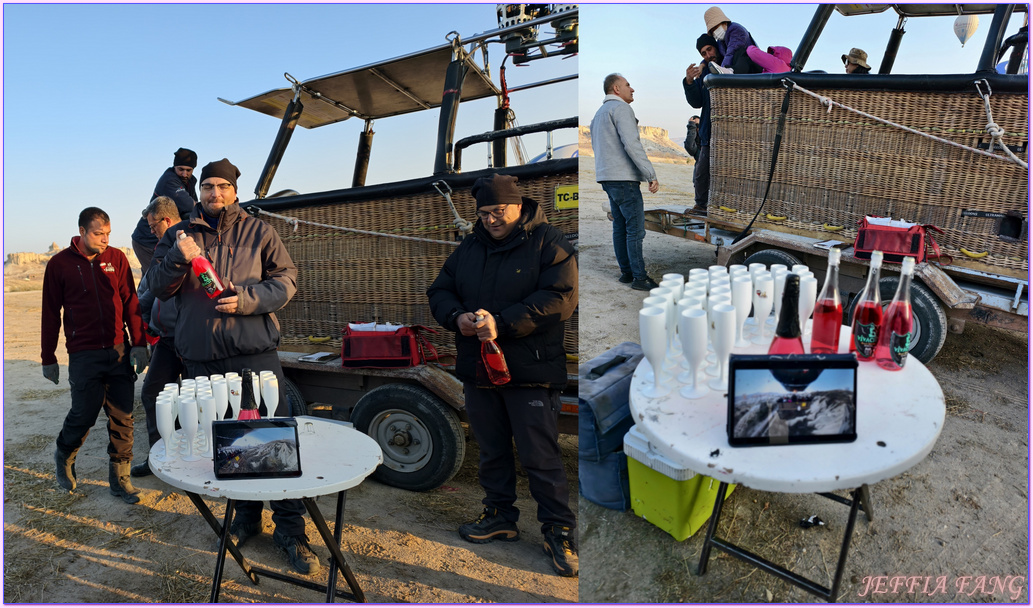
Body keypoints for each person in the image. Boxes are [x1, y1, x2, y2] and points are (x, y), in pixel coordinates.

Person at [145, 158, 316, 575]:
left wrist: (247, 300)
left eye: (223, 186)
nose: (215, 193)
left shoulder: (260, 231)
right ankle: (245, 517)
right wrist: (180, 259)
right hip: (201, 361)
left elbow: (287, 280)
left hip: (253, 355)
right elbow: (156, 288)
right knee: (228, 446)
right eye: (208, 186)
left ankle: (291, 530)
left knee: (273, 446)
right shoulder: (179, 234)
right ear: (199, 191)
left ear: (235, 192)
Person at [426, 173, 579, 577]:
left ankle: (558, 529)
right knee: (492, 449)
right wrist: (455, 316)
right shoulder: (469, 247)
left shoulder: (550, 242)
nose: (491, 220)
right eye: (484, 213)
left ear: (518, 205)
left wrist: (505, 323)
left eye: (498, 211)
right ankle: (499, 517)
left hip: (530, 370)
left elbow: (560, 299)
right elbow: (439, 291)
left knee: (540, 455)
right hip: (479, 369)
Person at [42, 207, 149, 503]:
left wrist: (139, 342)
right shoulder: (59, 265)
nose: (105, 239)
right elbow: (50, 313)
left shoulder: (116, 258)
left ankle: (120, 479)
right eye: (98, 234)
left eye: (108, 234)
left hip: (118, 350)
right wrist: (47, 357)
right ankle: (64, 454)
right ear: (82, 232)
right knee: (84, 413)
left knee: (122, 417)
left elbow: (131, 301)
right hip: (83, 354)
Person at [129, 196, 184, 477]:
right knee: (153, 393)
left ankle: (199, 459)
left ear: (167, 220)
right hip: (165, 339)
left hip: (191, 338)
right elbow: (148, 293)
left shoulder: (189, 245)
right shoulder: (160, 251)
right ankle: (159, 457)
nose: (150, 232)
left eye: (153, 226)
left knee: (196, 400)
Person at [590, 73, 661, 291]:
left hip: (607, 177)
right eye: (628, 85)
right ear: (616, 89)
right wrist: (650, 173)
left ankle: (626, 274)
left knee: (620, 227)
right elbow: (632, 145)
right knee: (635, 231)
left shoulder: (598, 115)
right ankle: (639, 278)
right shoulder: (621, 109)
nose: (632, 89)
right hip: (624, 179)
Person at [130, 147, 198, 270]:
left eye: (189, 170)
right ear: (174, 167)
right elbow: (191, 207)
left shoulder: (190, 181)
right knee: (155, 277)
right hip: (146, 239)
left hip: (162, 237)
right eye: (181, 169)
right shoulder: (169, 181)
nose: (184, 174)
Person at [684, 34, 724, 215]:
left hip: (729, 130)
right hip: (709, 129)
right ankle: (701, 206)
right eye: (703, 52)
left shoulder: (728, 61)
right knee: (701, 172)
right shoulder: (704, 71)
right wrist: (690, 82)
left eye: (709, 49)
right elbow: (696, 102)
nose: (708, 55)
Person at [704, 6, 761, 74]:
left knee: (740, 52)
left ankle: (730, 71)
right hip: (740, 70)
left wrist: (723, 69)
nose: (715, 32)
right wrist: (703, 64)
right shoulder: (721, 42)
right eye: (712, 31)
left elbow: (731, 51)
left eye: (716, 28)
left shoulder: (736, 30)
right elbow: (716, 55)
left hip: (752, 65)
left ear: (724, 23)